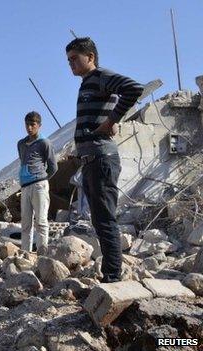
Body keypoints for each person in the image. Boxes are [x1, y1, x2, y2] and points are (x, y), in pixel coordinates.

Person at [66, 37, 143, 283]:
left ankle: (113, 276)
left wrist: (113, 120)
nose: (71, 65)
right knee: (99, 220)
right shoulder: (87, 83)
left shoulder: (101, 76)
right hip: (90, 160)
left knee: (105, 219)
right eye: (68, 61)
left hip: (101, 158)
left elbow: (133, 88)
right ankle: (111, 273)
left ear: (90, 57)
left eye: (75, 59)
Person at [18, 111, 58, 255]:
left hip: (39, 185)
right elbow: (23, 161)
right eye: (27, 124)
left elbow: (53, 167)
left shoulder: (44, 143)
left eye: (32, 124)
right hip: (25, 187)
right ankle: (25, 255)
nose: (29, 128)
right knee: (26, 224)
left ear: (39, 126)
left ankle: (42, 256)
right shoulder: (21, 144)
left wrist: (42, 178)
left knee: (41, 222)